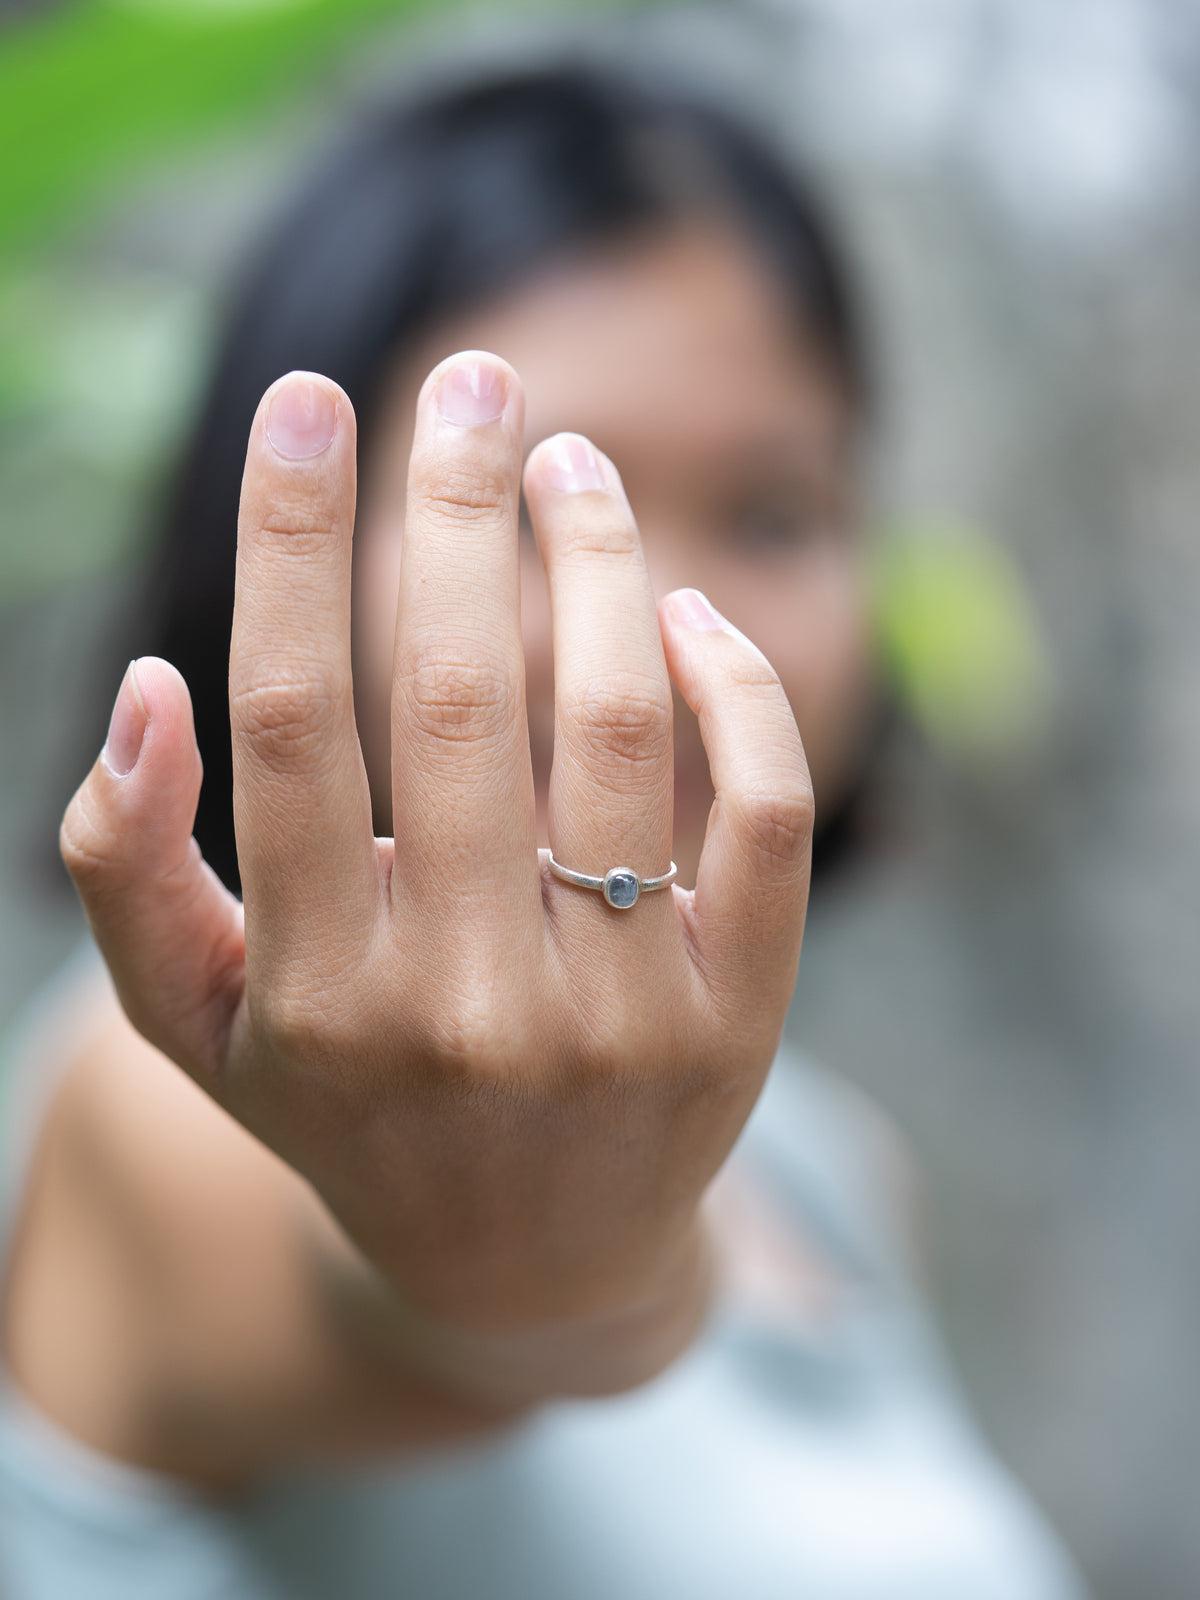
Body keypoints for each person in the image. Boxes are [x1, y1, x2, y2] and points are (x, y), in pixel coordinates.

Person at [0, 63, 1085, 1599]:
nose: (650, 627)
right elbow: (471, 1287)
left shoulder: (837, 1173)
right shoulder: (172, 1091)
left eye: (773, 513)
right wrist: (551, 1273)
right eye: (524, 510)